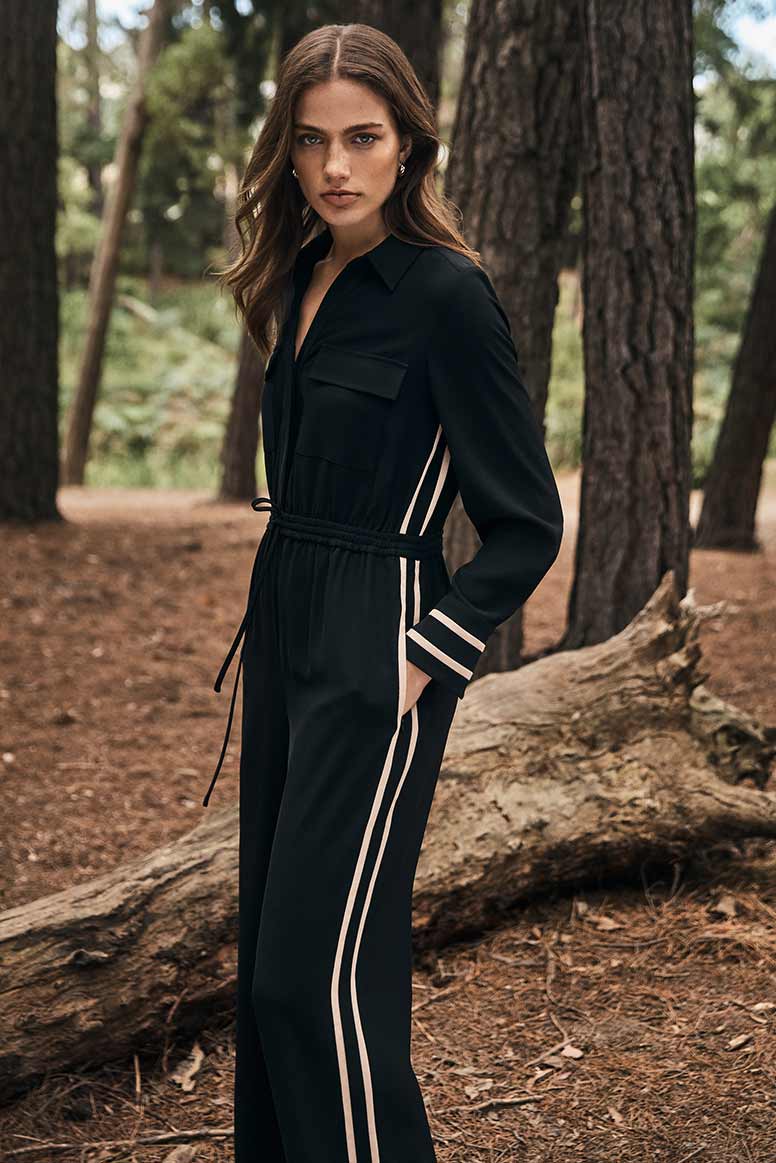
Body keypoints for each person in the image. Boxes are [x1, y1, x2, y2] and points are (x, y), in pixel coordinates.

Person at [204, 21, 564, 1163]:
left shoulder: (446, 296)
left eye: (362, 137)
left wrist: (418, 659)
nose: (334, 166)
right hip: (286, 615)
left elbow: (525, 523)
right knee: (268, 976)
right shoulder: (300, 278)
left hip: (379, 636)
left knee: (314, 983)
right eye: (311, 141)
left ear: (410, 143)